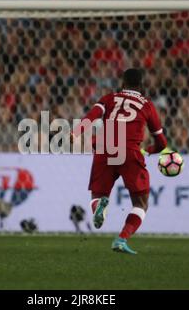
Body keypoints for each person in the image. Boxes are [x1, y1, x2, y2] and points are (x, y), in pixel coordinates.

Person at [71, 68, 168, 254]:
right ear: (141, 86)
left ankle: (100, 206)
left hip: (104, 148)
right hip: (130, 151)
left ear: (122, 83)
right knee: (141, 203)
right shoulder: (147, 105)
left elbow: (93, 115)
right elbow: (162, 143)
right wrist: (145, 151)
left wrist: (76, 132)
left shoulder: (110, 98)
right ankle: (121, 239)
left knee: (97, 195)